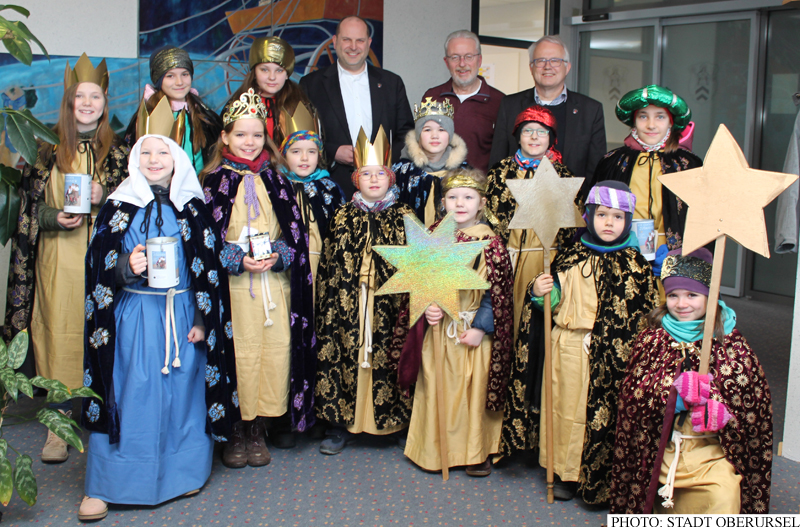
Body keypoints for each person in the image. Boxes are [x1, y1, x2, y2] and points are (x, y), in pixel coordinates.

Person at [80, 122, 239, 520]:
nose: (154, 160)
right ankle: (105, 484)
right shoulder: (118, 206)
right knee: (130, 394)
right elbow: (96, 265)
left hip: (183, 313)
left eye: (162, 153)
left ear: (177, 159)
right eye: (146, 153)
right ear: (136, 159)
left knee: (182, 395)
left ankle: (181, 473)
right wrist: (124, 267)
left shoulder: (193, 206)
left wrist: (204, 319)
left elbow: (210, 271)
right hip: (136, 314)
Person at [3, 53, 128, 464]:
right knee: (59, 332)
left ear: (106, 100)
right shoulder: (44, 149)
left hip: (107, 264)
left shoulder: (121, 153)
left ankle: (101, 418)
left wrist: (105, 196)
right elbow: (28, 211)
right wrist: (54, 216)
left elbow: (139, 208)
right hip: (59, 260)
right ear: (69, 101)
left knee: (103, 331)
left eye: (95, 96)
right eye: (80, 96)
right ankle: (57, 426)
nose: (88, 103)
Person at [501, 181, 658, 504]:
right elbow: (551, 306)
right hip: (568, 349)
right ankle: (565, 472)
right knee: (565, 410)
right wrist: (540, 292)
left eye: (617, 216)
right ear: (588, 216)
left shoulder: (637, 265)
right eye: (602, 215)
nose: (609, 223)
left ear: (628, 220)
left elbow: (644, 314)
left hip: (614, 356)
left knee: (608, 412)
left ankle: (602, 474)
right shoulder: (570, 256)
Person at [610, 248, 773, 514]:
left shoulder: (731, 342)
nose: (682, 304)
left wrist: (721, 410)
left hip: (711, 454)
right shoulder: (652, 339)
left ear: (710, 296)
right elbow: (632, 400)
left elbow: (754, 406)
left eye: (692, 295)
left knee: (724, 496)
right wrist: (673, 400)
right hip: (661, 451)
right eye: (673, 295)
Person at [201, 89, 315, 466]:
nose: (249, 143)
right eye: (240, 135)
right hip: (234, 289)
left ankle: (259, 428)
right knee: (239, 355)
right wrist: (236, 259)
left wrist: (278, 256)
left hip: (274, 286)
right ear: (225, 138)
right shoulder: (214, 182)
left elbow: (293, 235)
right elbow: (204, 242)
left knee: (273, 353)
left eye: (255, 135)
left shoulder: (278, 180)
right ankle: (236, 428)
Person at [401, 168, 513, 477]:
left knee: (472, 393)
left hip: (473, 331)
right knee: (439, 388)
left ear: (482, 203)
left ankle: (475, 452)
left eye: (468, 197)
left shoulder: (491, 243)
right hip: (440, 330)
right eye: (452, 197)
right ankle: (435, 450)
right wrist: (428, 308)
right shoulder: (434, 236)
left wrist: (480, 327)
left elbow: (498, 294)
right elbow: (418, 280)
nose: (459, 203)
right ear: (442, 202)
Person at [314, 125, 413, 455]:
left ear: (390, 178)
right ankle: (342, 423)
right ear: (356, 179)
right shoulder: (342, 214)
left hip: (389, 301)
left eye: (380, 174)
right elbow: (331, 262)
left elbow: (414, 263)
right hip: (350, 300)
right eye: (366, 173)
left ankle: (394, 420)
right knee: (346, 353)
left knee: (389, 355)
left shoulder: (404, 215)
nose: (373, 180)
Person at [486, 105, 577, 337]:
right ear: (518, 136)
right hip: (508, 259)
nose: (534, 137)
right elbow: (487, 215)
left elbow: (570, 226)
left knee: (537, 326)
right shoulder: (499, 173)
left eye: (542, 131)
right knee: (507, 321)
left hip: (547, 260)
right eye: (528, 131)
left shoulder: (563, 175)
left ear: (551, 138)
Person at [299, 15, 414, 197]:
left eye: (359, 40)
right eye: (347, 40)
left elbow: (406, 133)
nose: (353, 47)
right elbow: (302, 137)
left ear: (368, 43)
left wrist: (384, 161)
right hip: (332, 186)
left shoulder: (392, 83)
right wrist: (333, 152)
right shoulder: (311, 85)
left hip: (383, 187)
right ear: (335, 41)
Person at [584, 85, 702, 258]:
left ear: (671, 122)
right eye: (643, 116)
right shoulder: (612, 161)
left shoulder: (688, 164)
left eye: (660, 117)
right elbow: (593, 214)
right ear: (634, 120)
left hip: (672, 260)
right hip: (621, 255)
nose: (651, 125)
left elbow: (702, 219)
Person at [489, 36, 605, 181]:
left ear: (567, 67)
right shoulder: (510, 105)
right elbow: (498, 159)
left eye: (555, 61)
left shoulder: (591, 110)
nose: (547, 66)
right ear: (531, 68)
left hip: (573, 200)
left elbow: (597, 168)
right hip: (518, 200)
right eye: (540, 61)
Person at [124, 45, 223, 175]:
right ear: (159, 80)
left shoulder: (206, 118)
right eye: (170, 76)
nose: (179, 82)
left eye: (185, 74)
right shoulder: (146, 117)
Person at [279, 102, 346, 288]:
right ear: (284, 155)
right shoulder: (278, 187)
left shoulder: (330, 189)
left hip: (323, 269)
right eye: (295, 152)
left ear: (319, 154)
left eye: (311, 151)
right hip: (286, 272)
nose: (304, 158)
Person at [423, 30, 504, 173]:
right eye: (455, 57)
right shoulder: (432, 97)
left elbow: (504, 154)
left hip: (480, 191)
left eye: (468, 57)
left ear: (479, 60)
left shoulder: (500, 102)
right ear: (446, 62)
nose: (462, 63)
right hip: (438, 189)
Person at [393, 97, 468, 226]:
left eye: (441, 129)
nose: (435, 135)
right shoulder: (401, 172)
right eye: (427, 129)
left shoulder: (463, 172)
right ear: (418, 135)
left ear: (449, 135)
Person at [227, 36, 310, 145]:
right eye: (265, 70)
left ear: (287, 74)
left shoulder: (299, 104)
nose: (272, 77)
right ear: (254, 71)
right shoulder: (237, 104)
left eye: (279, 70)